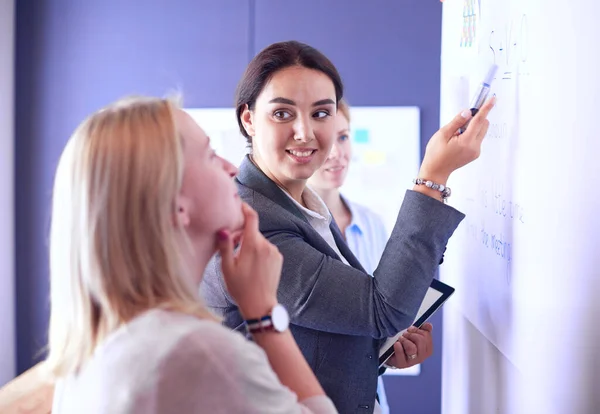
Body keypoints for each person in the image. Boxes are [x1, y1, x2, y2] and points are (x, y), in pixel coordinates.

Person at [201, 40, 494, 414]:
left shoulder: (299, 205)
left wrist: (378, 353)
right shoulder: (251, 224)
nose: (305, 132)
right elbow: (380, 309)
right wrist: (433, 177)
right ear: (248, 119)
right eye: (282, 114)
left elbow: (306, 339)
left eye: (321, 113)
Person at [46, 96, 338, 413]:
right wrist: (265, 315)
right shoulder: (197, 353)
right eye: (210, 156)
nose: (230, 168)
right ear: (175, 204)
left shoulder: (91, 355)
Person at [307, 98, 430, 414]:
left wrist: (396, 345)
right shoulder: (288, 235)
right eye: (324, 139)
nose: (336, 153)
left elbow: (381, 321)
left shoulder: (372, 223)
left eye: (343, 137)